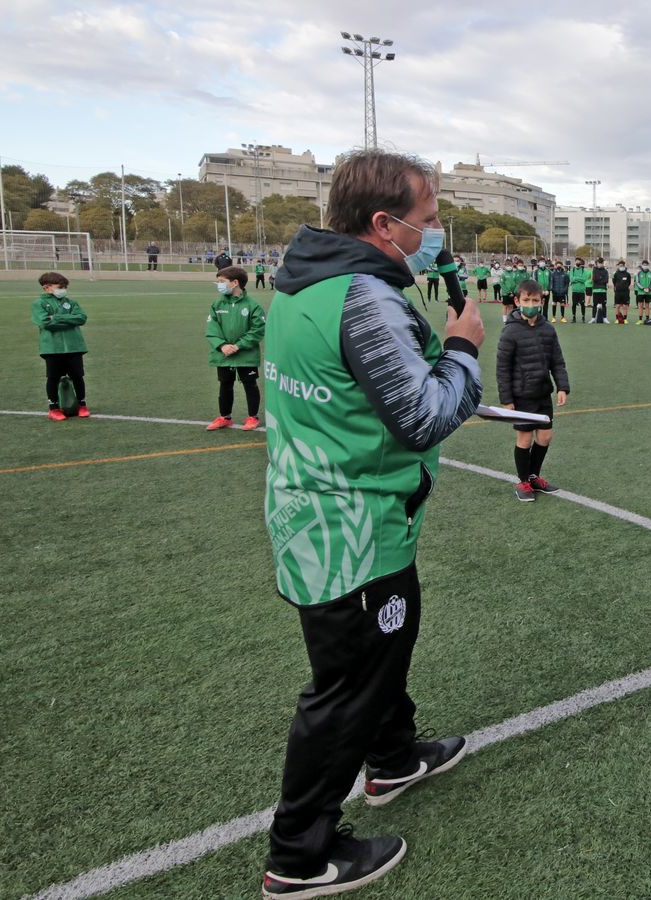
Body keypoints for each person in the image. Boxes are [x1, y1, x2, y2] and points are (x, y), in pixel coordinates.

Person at [260, 149, 486, 899]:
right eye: (426, 220)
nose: (435, 233)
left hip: (321, 510)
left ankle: (391, 760)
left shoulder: (302, 282)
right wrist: (462, 347)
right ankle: (299, 856)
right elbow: (423, 415)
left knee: (381, 654)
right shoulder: (361, 295)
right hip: (349, 530)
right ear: (383, 224)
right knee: (350, 681)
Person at [497, 280, 569, 501]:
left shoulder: (548, 329)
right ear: (517, 301)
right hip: (522, 396)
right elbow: (502, 368)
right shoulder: (510, 332)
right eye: (526, 300)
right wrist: (507, 399)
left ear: (541, 301)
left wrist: (562, 387)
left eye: (535, 300)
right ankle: (523, 482)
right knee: (525, 439)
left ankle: (534, 476)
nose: (531, 304)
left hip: (542, 394)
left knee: (545, 436)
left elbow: (557, 361)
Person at [204, 266, 266, 431]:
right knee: (225, 384)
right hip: (224, 354)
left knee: (250, 384)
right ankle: (225, 417)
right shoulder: (217, 304)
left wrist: (238, 345)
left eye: (221, 282)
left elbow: (258, 330)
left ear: (235, 282)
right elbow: (212, 328)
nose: (219, 285)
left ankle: (252, 417)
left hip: (246, 354)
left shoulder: (253, 305)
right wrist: (222, 345)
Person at [32, 272, 90, 421]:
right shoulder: (39, 304)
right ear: (47, 287)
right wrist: (69, 320)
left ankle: (82, 405)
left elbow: (81, 318)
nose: (63, 289)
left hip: (74, 346)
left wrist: (56, 317)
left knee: (78, 376)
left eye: (65, 287)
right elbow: (45, 322)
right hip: (52, 348)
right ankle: (54, 408)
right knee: (53, 377)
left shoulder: (71, 303)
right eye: (60, 287)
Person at [567, 257, 589, 323]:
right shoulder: (572, 270)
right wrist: (578, 278)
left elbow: (584, 279)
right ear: (575, 262)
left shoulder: (583, 270)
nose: (578, 263)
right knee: (574, 304)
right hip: (574, 290)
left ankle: (583, 317)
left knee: (582, 304)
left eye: (579, 262)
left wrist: (575, 279)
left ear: (581, 263)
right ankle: (574, 317)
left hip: (581, 291)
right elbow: (571, 279)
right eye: (577, 261)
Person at [589, 257, 611, 324]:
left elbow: (606, 280)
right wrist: (601, 278)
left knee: (604, 304)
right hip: (596, 290)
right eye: (599, 263)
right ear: (597, 263)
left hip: (603, 290)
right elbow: (594, 279)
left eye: (601, 263)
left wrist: (599, 279)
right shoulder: (594, 270)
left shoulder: (605, 271)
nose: (600, 264)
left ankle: (605, 318)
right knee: (595, 304)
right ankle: (593, 318)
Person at [634, 260, 651, 325]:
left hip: (648, 293)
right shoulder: (639, 273)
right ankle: (640, 320)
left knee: (647, 306)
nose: (645, 266)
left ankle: (647, 319)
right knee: (640, 306)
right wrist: (643, 288)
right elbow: (637, 282)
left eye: (646, 264)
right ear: (642, 265)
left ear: (648, 265)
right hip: (640, 292)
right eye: (644, 264)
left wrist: (649, 288)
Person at [611, 259, 633, 324]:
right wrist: (617, 287)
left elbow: (629, 282)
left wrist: (625, 287)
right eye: (620, 265)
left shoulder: (627, 274)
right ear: (618, 266)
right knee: (617, 306)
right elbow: (614, 282)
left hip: (625, 292)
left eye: (622, 265)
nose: (621, 267)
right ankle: (617, 319)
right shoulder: (616, 274)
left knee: (625, 306)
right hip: (618, 292)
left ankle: (625, 319)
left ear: (624, 266)